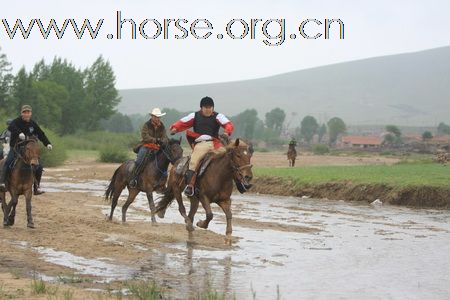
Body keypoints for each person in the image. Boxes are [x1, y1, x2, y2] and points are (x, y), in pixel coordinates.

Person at [170, 96, 234, 196]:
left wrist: (226, 132)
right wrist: (175, 128)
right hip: (201, 144)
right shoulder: (194, 115)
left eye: (210, 107)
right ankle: (190, 186)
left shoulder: (218, 116)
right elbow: (183, 122)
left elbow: (228, 124)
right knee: (194, 161)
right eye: (206, 107)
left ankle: (239, 182)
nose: (208, 109)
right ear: (201, 108)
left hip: (215, 143)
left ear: (213, 107)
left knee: (228, 157)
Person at [0, 105, 52, 194]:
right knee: (7, 162)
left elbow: (40, 133)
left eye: (28, 112)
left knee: (39, 167)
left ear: (31, 113)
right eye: (24, 112)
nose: (26, 114)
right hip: (16, 148)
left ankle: (36, 187)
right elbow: (10, 127)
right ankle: (2, 183)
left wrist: (47, 143)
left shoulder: (32, 123)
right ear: (21, 113)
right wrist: (19, 133)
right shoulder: (16, 121)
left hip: (28, 150)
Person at [129, 108, 168, 188]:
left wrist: (163, 141)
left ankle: (162, 181)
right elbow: (145, 136)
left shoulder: (162, 126)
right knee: (139, 161)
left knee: (165, 160)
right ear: (152, 116)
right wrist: (155, 140)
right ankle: (134, 179)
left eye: (159, 117)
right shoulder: (146, 125)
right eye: (156, 117)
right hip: (146, 145)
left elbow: (165, 136)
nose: (157, 118)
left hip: (157, 147)